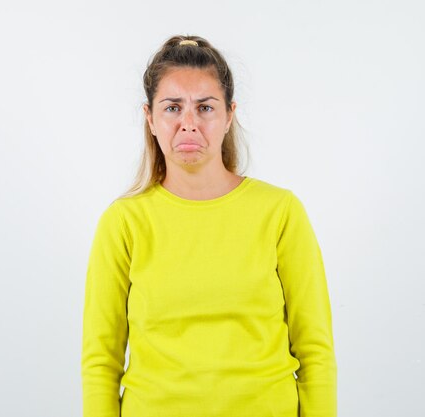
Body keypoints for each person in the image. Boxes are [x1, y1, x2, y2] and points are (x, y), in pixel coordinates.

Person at [81, 35, 336, 417]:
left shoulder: (280, 212)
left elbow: (315, 351)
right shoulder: (123, 223)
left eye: (205, 107)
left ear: (229, 114)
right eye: (172, 108)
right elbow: (101, 363)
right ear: (150, 117)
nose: (189, 124)